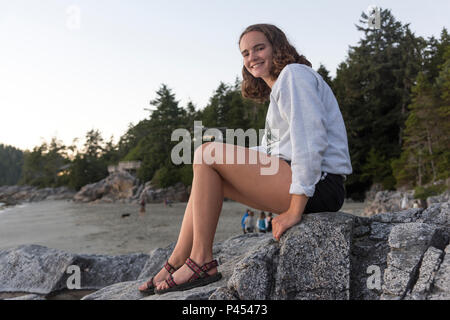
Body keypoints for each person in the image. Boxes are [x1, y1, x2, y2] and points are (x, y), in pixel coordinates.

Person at [139, 23, 352, 295]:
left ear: (278, 47)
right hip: (301, 182)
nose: (252, 57)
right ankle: (178, 259)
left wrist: (294, 210)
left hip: (322, 186)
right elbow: (268, 153)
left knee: (207, 153)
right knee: (209, 173)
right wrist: (229, 159)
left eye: (259, 48)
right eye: (245, 53)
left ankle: (201, 260)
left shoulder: (295, 75)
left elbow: (309, 143)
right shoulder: (281, 90)